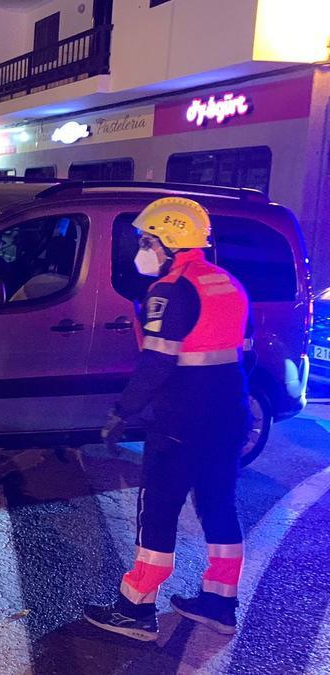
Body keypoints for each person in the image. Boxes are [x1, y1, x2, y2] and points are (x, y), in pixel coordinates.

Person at [85, 197, 251, 641]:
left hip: (183, 419)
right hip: (229, 413)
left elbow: (157, 363)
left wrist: (122, 411)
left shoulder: (170, 290)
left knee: (158, 507)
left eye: (147, 241)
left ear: (169, 242)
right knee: (218, 503)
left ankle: (136, 609)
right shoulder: (226, 282)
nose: (142, 250)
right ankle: (220, 602)